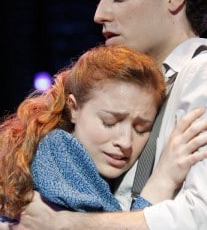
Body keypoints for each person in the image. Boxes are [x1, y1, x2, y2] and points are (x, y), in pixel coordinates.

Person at [1, 0, 207, 229]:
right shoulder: (127, 86)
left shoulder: (200, 74)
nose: (99, 15)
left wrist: (65, 224)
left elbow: (201, 214)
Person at [1, 44, 207, 225]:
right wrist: (164, 179)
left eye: (141, 128)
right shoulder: (59, 149)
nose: (126, 142)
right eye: (110, 122)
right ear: (73, 108)